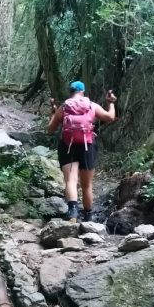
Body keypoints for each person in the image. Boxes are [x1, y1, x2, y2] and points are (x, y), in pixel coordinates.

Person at [48, 81, 117, 222]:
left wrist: (53, 114)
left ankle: (73, 211)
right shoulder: (92, 105)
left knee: (71, 181)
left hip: (67, 145)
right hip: (87, 145)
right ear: (83, 92)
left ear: (70, 91)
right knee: (87, 185)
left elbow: (50, 129)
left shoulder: (64, 107)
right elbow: (110, 117)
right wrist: (111, 103)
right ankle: (88, 217)